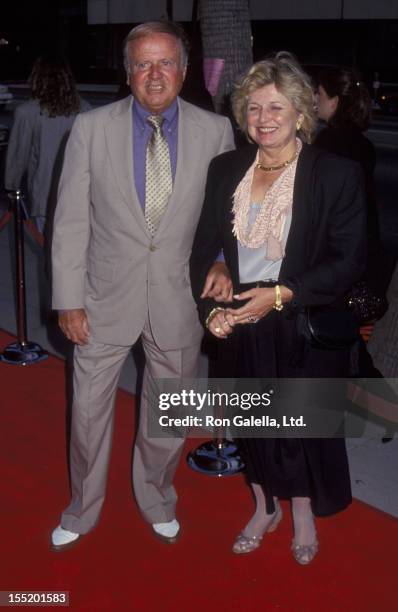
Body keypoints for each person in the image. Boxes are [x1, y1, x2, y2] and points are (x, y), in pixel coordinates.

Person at [50, 21, 234, 550]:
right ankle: (82, 509)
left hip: (179, 298)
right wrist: (68, 300)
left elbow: (224, 217)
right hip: (101, 300)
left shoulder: (215, 131)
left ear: (184, 69)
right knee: (87, 414)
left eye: (166, 63)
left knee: (170, 413)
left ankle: (157, 496)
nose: (155, 75)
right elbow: (69, 222)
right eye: (143, 64)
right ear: (128, 72)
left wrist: (222, 261)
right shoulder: (90, 128)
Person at [190, 52, 366, 564]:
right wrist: (216, 280)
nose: (263, 119)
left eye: (276, 107)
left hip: (299, 320)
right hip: (244, 319)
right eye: (253, 108)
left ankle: (304, 511)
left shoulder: (334, 174)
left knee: (302, 425)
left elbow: (349, 259)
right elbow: (206, 245)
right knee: (251, 422)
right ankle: (263, 504)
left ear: (300, 113)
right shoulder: (226, 169)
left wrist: (282, 293)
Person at [5, 55, 90, 233]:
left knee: (48, 250)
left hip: (44, 196)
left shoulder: (27, 112)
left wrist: (11, 187)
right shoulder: (85, 109)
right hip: (80, 196)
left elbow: (18, 156)